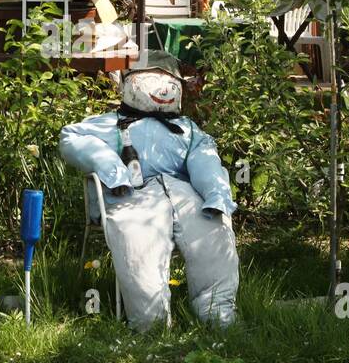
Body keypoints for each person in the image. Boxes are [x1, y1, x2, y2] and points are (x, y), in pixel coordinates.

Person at [59, 51, 238, 330]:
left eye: (167, 81)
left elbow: (204, 158)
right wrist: (112, 170)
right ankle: (150, 321)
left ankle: (217, 312)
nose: (161, 88)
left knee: (213, 232)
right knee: (137, 243)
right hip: (132, 196)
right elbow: (72, 136)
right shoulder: (111, 123)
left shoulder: (186, 130)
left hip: (185, 194)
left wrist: (215, 194)